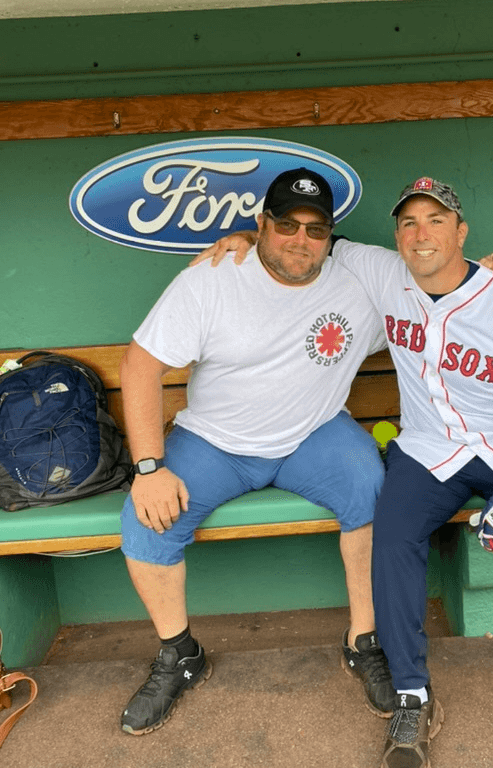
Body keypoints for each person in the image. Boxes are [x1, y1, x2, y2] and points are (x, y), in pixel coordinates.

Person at [204, 177, 493, 768]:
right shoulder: (381, 270)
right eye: (408, 222)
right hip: (429, 450)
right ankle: (411, 696)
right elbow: (313, 242)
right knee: (391, 537)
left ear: (461, 231)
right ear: (397, 234)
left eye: (436, 220)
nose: (421, 234)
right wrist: (247, 236)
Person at [118, 167, 396, 735]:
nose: (300, 240)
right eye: (286, 225)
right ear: (261, 223)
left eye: (315, 230)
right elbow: (139, 366)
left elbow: (437, 280)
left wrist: (491, 271)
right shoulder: (214, 278)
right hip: (215, 442)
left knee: (371, 488)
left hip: (313, 436)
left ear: (332, 236)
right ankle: (180, 654)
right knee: (146, 521)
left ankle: (363, 640)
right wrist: (148, 469)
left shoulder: (360, 280)